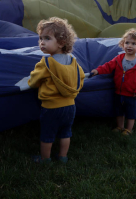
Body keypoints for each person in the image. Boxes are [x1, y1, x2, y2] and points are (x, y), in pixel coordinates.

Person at [27, 17, 85, 163]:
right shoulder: (73, 61)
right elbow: (81, 78)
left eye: (47, 38)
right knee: (66, 132)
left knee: (48, 134)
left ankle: (45, 159)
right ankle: (63, 157)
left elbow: (33, 81)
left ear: (61, 43)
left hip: (51, 107)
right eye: (40, 38)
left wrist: (31, 80)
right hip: (70, 106)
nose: (42, 42)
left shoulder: (46, 63)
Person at [91, 28, 136, 136]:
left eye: (133, 43)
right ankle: (120, 126)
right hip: (119, 92)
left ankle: (129, 129)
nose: (129, 46)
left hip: (132, 94)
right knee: (119, 111)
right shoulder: (119, 58)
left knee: (131, 112)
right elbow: (108, 66)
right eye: (127, 43)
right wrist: (98, 70)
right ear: (123, 45)